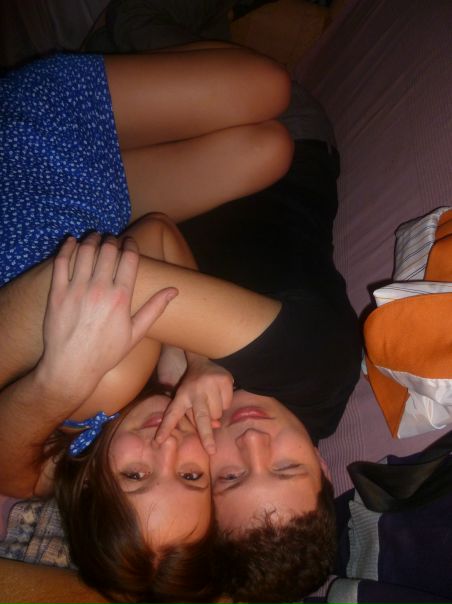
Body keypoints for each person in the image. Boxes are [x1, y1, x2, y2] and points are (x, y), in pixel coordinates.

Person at [0, 44, 293, 602]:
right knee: (270, 150)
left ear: (93, 490)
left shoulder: (110, 385)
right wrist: (197, 360)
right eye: (190, 476)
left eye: (136, 476)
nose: (166, 445)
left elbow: (152, 237)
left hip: (32, 142)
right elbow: (154, 229)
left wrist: (59, 381)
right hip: (100, 197)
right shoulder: (53, 460)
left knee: (271, 92)